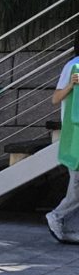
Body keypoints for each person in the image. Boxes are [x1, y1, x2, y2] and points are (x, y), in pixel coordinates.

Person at [46, 30, 79, 244]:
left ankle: (69, 228)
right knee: (77, 184)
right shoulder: (72, 65)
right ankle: (56, 216)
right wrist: (71, 85)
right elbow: (55, 98)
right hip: (74, 133)